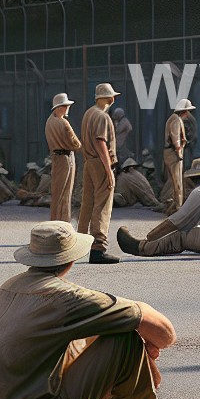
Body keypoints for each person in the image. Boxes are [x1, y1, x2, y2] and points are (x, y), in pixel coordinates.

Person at [0, 221, 181, 399]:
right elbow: (164, 332)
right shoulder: (66, 298)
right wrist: (147, 350)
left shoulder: (10, 286)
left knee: (97, 330)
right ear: (70, 260)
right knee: (124, 337)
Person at [115, 157, 200, 257]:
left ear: (193, 178)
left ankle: (142, 247)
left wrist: (151, 236)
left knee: (179, 235)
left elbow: (175, 222)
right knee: (192, 229)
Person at [75, 82, 123, 264]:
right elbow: (100, 142)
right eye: (113, 96)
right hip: (100, 162)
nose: (114, 99)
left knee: (88, 203)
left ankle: (79, 243)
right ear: (108, 97)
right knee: (103, 204)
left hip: (88, 162)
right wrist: (108, 169)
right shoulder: (102, 116)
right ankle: (98, 248)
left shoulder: (88, 113)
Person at [44, 92, 80, 224]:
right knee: (66, 194)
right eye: (66, 106)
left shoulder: (49, 121)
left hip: (55, 157)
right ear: (60, 107)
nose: (67, 108)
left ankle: (55, 221)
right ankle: (64, 223)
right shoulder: (63, 123)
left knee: (57, 192)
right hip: (66, 158)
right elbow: (76, 143)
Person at [162, 98, 193, 213]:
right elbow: (175, 138)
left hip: (171, 152)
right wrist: (179, 152)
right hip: (173, 153)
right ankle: (178, 208)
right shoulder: (175, 120)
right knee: (177, 182)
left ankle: (175, 206)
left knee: (174, 181)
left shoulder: (174, 118)